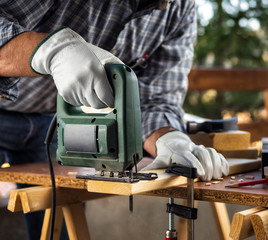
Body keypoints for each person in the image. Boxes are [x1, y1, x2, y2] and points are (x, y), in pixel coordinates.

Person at [0, 0, 229, 239]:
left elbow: (154, 100)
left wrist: (170, 140)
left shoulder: (179, 8)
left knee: (62, 229)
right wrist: (50, 50)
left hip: (50, 123)